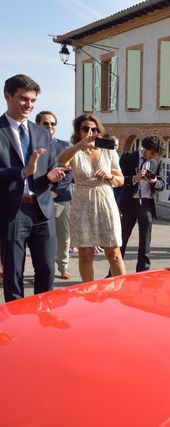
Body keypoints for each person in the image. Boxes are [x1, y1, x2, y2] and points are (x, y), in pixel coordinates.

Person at [0, 74, 68, 302]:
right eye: (23, 99)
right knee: (14, 275)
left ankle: (41, 322)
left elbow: (52, 167)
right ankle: (17, 328)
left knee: (47, 271)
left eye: (32, 100)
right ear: (7, 96)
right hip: (13, 212)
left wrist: (51, 175)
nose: (28, 104)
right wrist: (21, 172)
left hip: (43, 210)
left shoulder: (41, 133)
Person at [58, 114, 126, 282]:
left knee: (114, 252)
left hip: (106, 201)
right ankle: (89, 293)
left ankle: (121, 294)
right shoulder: (74, 151)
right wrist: (81, 145)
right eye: (85, 128)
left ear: (99, 131)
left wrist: (109, 176)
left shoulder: (108, 152)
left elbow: (121, 180)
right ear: (78, 131)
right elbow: (62, 161)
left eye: (94, 129)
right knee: (86, 254)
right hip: (82, 201)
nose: (90, 131)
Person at [117, 135, 166, 273]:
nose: (153, 157)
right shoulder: (127, 157)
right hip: (129, 202)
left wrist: (154, 181)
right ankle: (114, 272)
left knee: (145, 241)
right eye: (151, 153)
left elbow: (162, 184)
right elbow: (118, 180)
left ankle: (143, 272)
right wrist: (134, 178)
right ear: (144, 148)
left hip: (147, 203)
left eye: (156, 155)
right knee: (122, 239)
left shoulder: (157, 161)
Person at [36, 110, 73, 280]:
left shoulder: (65, 146)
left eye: (52, 124)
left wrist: (54, 193)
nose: (50, 127)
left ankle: (63, 266)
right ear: (38, 125)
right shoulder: (31, 146)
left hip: (60, 199)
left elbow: (70, 174)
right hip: (36, 199)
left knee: (62, 235)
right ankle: (43, 269)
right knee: (40, 236)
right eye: (46, 123)